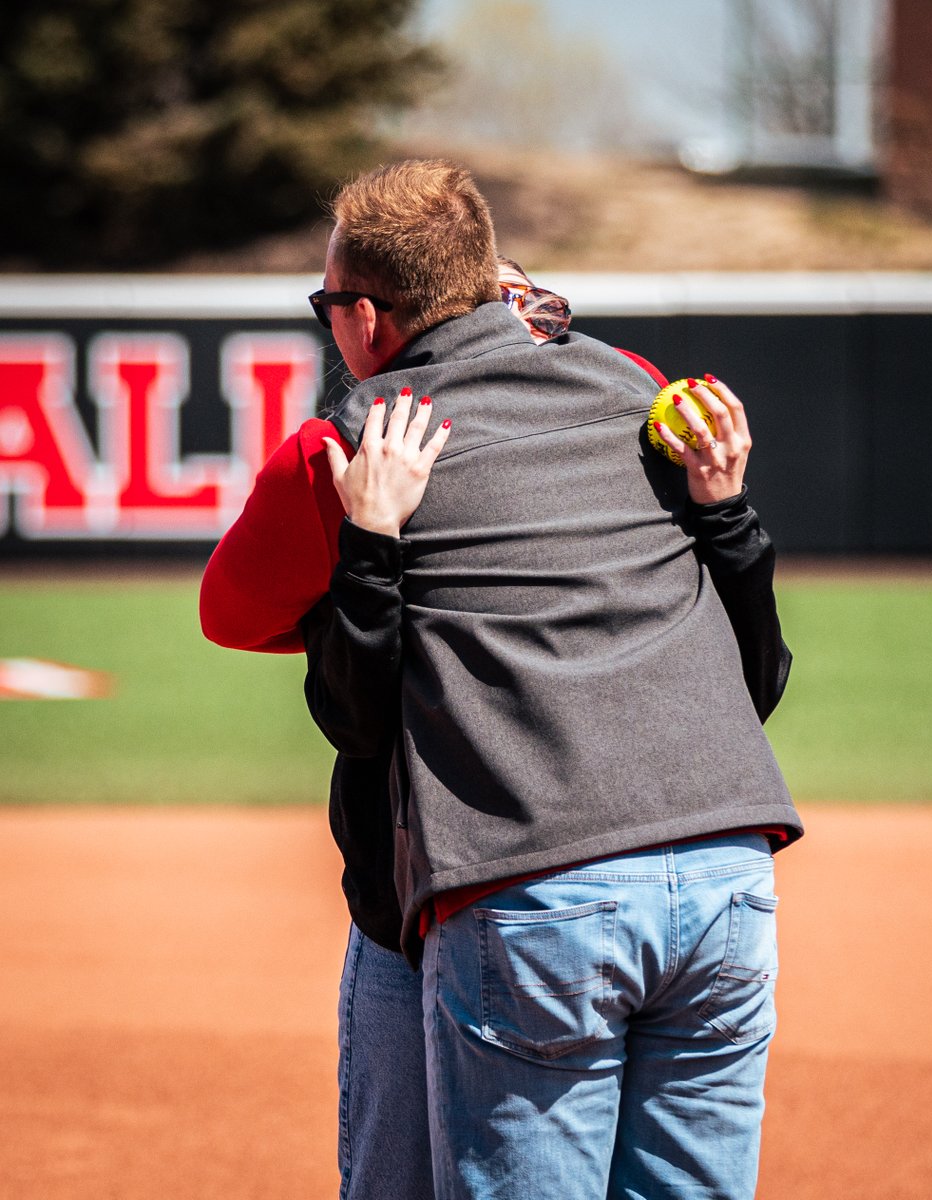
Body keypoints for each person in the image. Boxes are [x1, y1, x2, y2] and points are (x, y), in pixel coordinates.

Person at [302, 158, 802, 1200]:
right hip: (726, 878)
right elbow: (752, 682)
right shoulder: (635, 393)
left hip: (536, 893)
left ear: (363, 316)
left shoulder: (369, 431)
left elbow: (350, 711)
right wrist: (727, 516)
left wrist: (372, 541)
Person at [199, 253, 665, 1200]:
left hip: (460, 889)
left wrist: (380, 586)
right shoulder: (637, 395)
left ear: (373, 318)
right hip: (688, 857)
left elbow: (239, 620)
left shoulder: (349, 444)